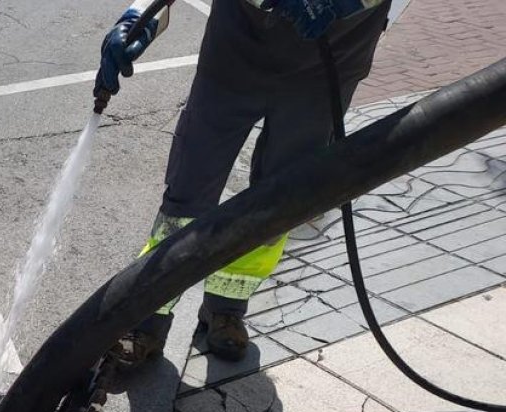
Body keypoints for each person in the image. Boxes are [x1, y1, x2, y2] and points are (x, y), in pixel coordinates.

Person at [96, 0, 391, 364]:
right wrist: (141, 17)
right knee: (190, 187)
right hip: (236, 51)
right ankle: (148, 315)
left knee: (281, 199)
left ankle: (227, 307)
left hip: (329, 62)